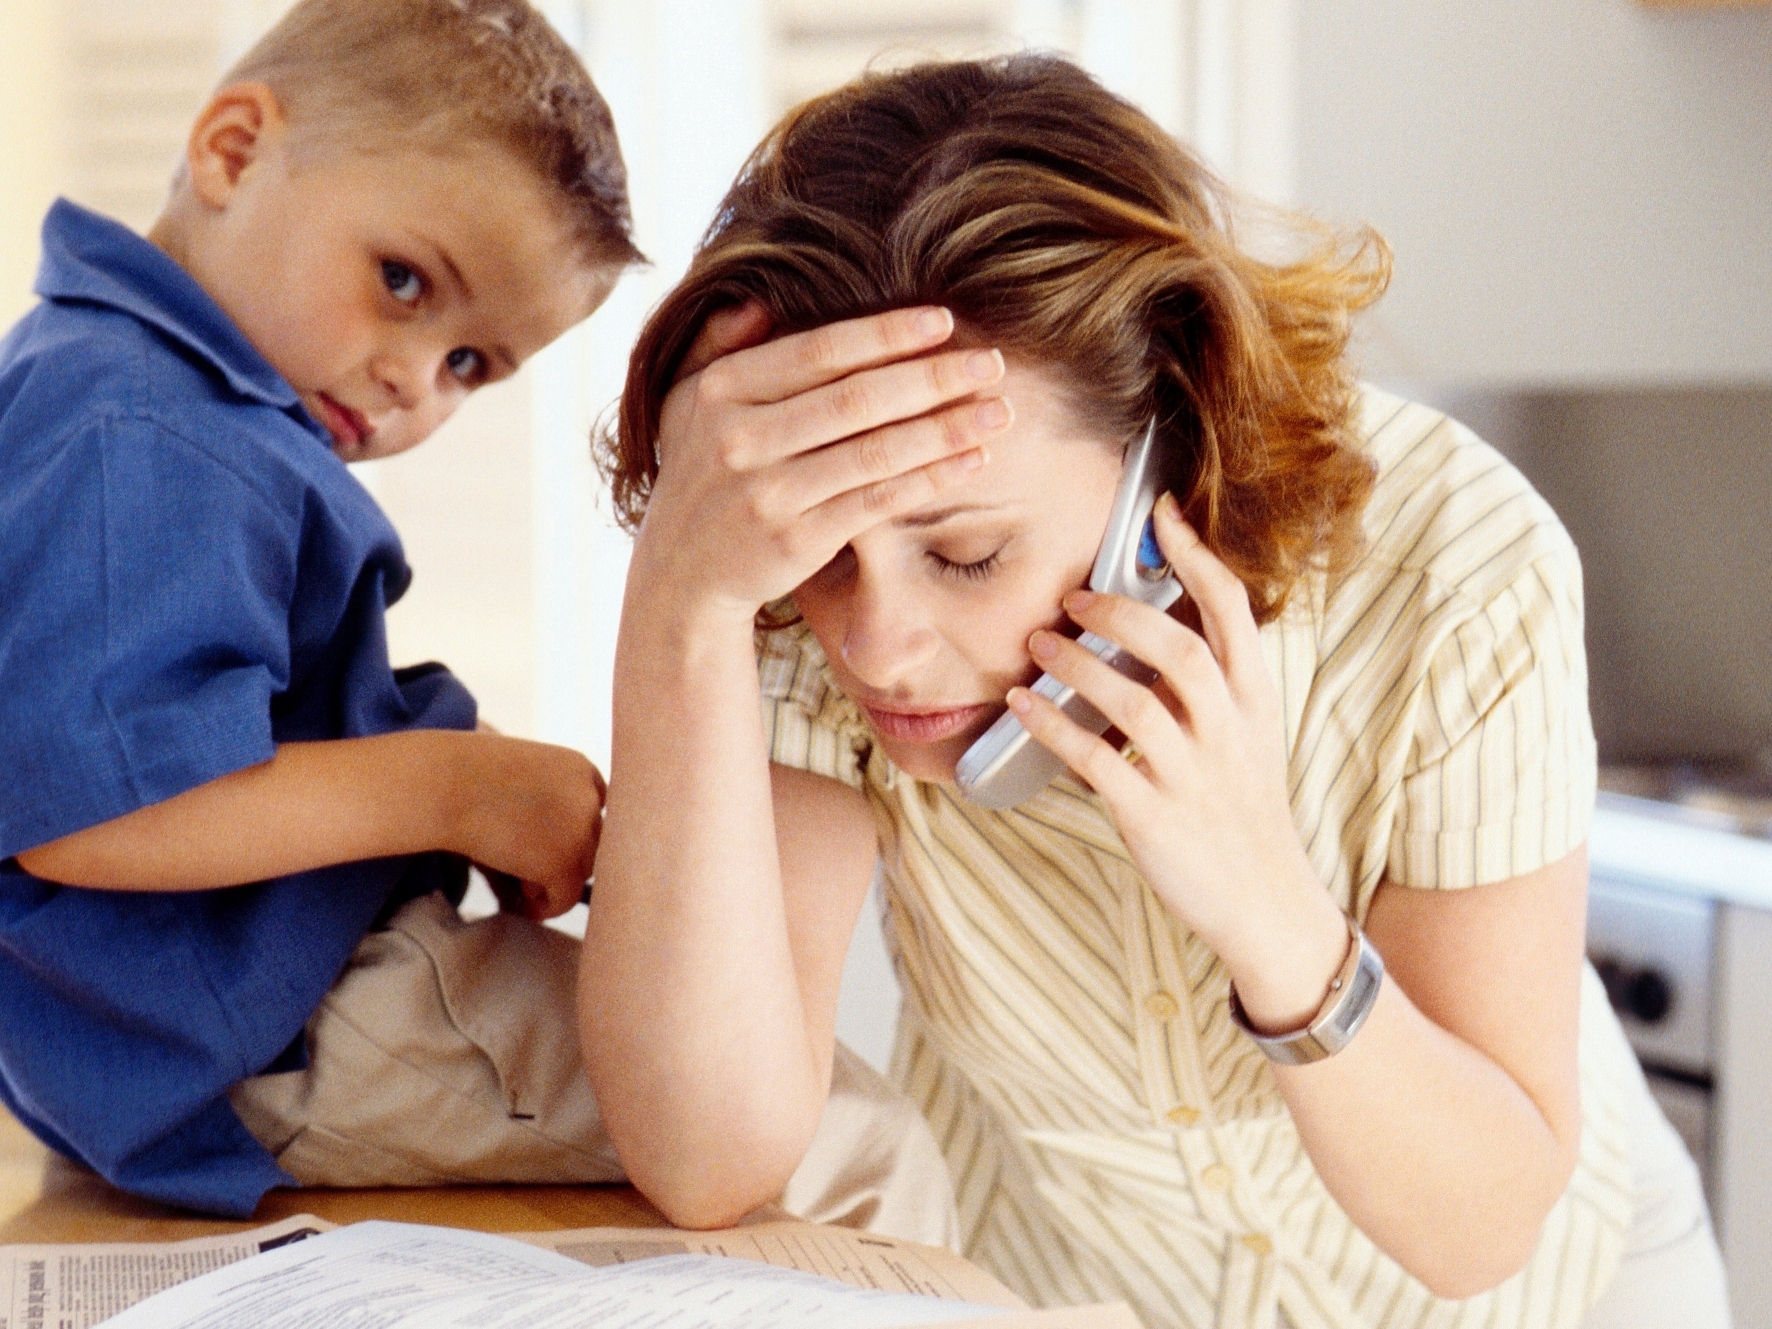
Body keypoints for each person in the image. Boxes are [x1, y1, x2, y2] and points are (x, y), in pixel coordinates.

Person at [583, 54, 1731, 1329]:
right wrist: (681, 602)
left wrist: (1267, 907)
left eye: (968, 555)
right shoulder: (785, 596)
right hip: (1083, 1296)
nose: (877, 646)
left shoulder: (1453, 569)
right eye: (826, 561)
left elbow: (1476, 1231)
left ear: (1162, 458)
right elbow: (708, 1159)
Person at [0, 0, 954, 1243]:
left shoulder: (126, 392)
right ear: (233, 151)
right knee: (853, 1138)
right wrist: (457, 789)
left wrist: (476, 786)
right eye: (402, 282)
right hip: (259, 1028)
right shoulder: (146, 432)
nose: (414, 380)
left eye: (469, 366)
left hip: (221, 1010)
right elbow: (90, 812)